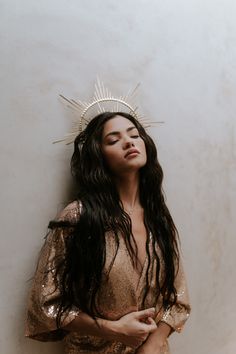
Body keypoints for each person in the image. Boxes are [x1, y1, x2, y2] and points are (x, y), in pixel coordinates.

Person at [25, 109, 190, 354]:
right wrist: (112, 329)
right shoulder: (77, 218)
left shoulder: (157, 217)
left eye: (134, 135)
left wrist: (153, 345)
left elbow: (178, 299)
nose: (128, 141)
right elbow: (45, 305)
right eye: (113, 140)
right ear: (98, 156)